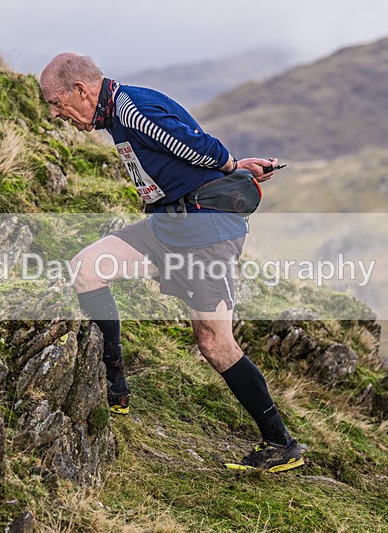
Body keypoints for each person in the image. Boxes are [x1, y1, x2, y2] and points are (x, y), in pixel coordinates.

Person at [39, 52, 304, 473]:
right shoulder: (116, 114)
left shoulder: (130, 109)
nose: (56, 113)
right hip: (167, 227)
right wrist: (234, 167)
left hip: (205, 231)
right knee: (88, 268)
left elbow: (193, 145)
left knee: (214, 342)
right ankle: (115, 386)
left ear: (81, 91)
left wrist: (233, 166)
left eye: (56, 102)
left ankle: (280, 442)